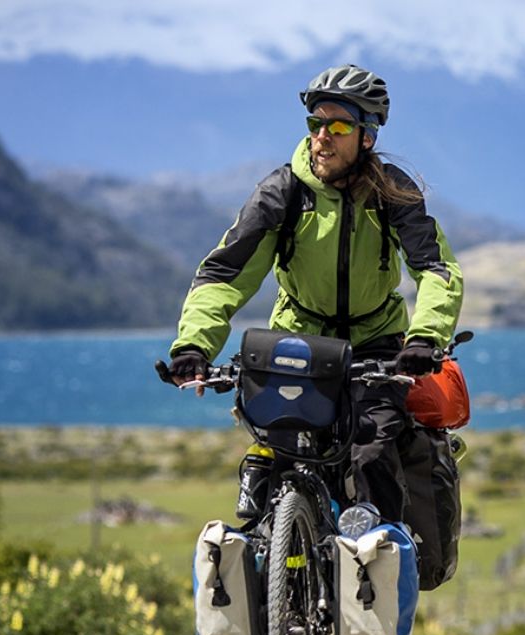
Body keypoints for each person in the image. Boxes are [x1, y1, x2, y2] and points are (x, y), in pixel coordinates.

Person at [165, 64, 463, 521]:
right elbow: (225, 273)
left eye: (338, 125)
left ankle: (377, 565)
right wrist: (193, 345)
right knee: (277, 456)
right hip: (297, 342)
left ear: (366, 136)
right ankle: (275, 559)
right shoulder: (282, 193)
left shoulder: (392, 194)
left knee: (372, 452)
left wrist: (424, 337)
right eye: (315, 123)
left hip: (375, 345)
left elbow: (436, 269)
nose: (322, 136)